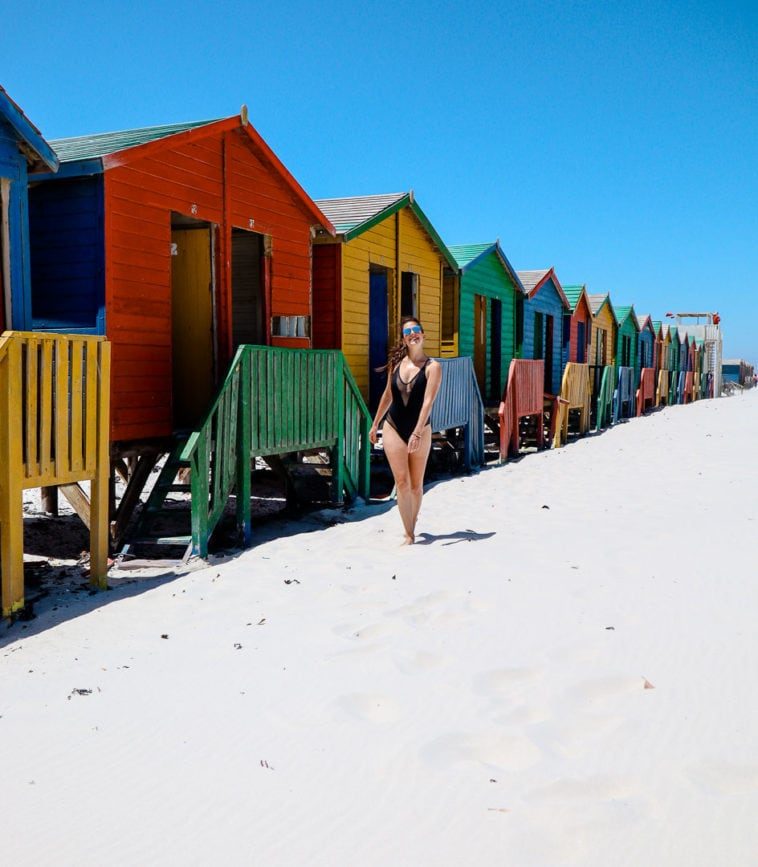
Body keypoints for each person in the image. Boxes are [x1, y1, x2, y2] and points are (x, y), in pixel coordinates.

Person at [369, 317, 442, 544]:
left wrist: (417, 432)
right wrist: (375, 423)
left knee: (416, 485)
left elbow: (428, 402)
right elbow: (388, 395)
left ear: (423, 334)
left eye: (416, 330)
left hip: (421, 428)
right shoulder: (397, 364)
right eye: (407, 332)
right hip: (393, 426)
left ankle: (412, 522)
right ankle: (409, 534)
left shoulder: (433, 367)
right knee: (402, 482)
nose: (413, 334)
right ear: (403, 339)